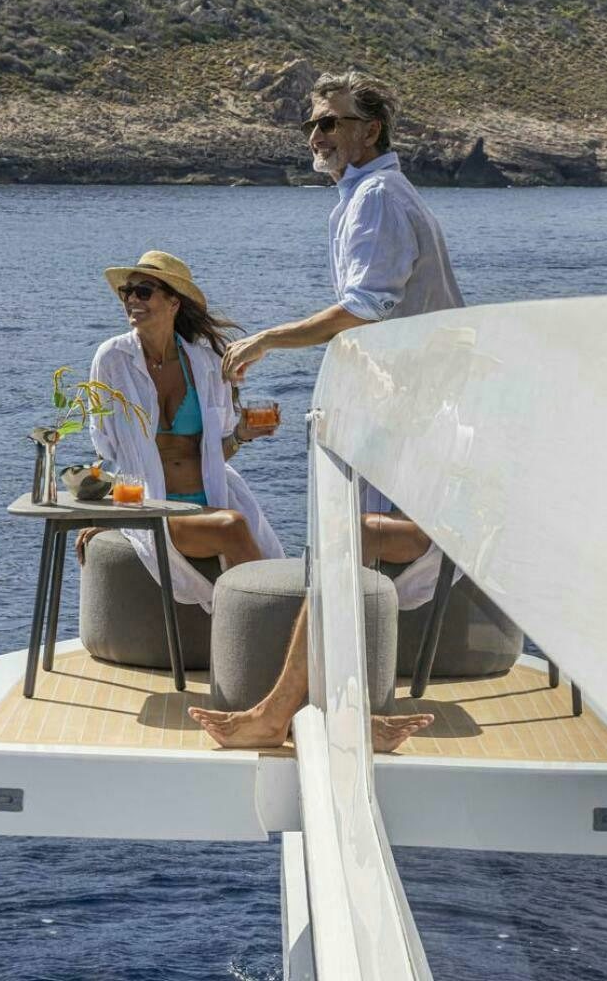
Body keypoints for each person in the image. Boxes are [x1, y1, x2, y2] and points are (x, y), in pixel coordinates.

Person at [191, 70, 462, 750]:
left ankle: (278, 712)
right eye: (312, 123)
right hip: (410, 412)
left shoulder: (376, 200)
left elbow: (364, 309)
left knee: (348, 545)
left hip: (414, 418)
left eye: (331, 121)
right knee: (353, 551)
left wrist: (268, 340)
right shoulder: (369, 196)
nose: (317, 134)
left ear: (370, 130)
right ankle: (353, 712)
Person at [80, 251, 285, 613]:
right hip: (155, 503)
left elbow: (214, 451)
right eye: (127, 291)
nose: (131, 299)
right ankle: (269, 627)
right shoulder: (111, 359)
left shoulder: (205, 363)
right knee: (234, 528)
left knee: (271, 555)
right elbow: (108, 449)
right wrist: (108, 515)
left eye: (143, 291)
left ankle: (265, 629)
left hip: (212, 494)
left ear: (173, 301)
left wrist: (242, 434)